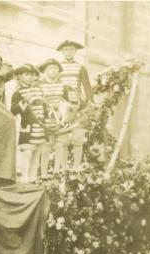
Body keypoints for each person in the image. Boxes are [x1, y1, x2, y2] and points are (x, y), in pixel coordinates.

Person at [57, 40, 93, 169]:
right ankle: (63, 168)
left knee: (78, 137)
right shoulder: (58, 67)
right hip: (62, 107)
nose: (69, 52)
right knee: (63, 139)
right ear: (62, 51)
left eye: (71, 49)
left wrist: (89, 103)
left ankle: (76, 167)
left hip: (77, 105)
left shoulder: (80, 67)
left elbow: (87, 86)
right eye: (66, 49)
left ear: (75, 51)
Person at [10, 64, 47, 182]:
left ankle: (32, 178)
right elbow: (13, 111)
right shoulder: (18, 93)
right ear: (20, 77)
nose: (30, 77)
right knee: (27, 153)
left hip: (40, 126)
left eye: (32, 75)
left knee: (37, 153)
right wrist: (25, 102)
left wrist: (49, 116)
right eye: (26, 75)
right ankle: (24, 178)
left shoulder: (40, 90)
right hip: (27, 127)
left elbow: (45, 107)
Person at [39, 58, 73, 174]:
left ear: (59, 70)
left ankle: (57, 171)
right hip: (45, 119)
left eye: (55, 68)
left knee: (60, 145)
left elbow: (67, 102)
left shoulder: (64, 86)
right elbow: (39, 102)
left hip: (60, 119)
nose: (53, 70)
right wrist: (47, 112)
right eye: (50, 68)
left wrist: (63, 113)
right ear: (45, 70)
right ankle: (43, 172)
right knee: (46, 146)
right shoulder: (39, 85)